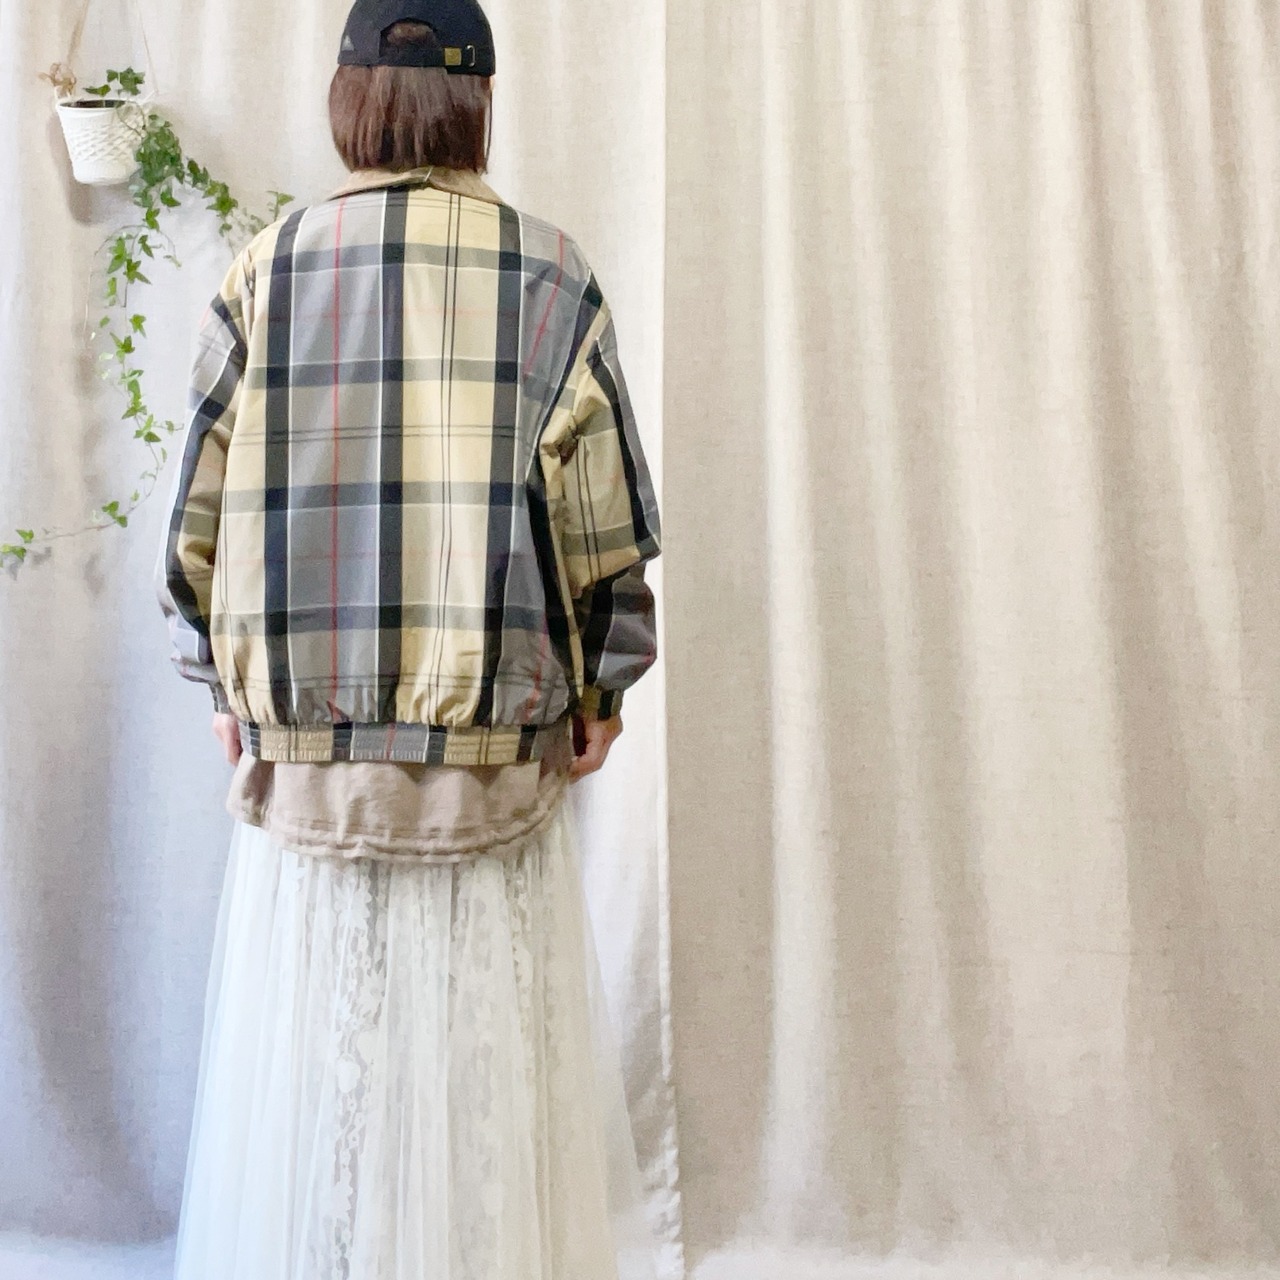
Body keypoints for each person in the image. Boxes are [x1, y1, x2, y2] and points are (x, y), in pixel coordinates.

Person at [155, 1, 663, 1275]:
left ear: (350, 100)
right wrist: (599, 693)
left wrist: (222, 683)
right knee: (480, 1063)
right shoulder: (550, 274)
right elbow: (602, 535)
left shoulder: (267, 267)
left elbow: (193, 520)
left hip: (306, 756)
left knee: (319, 1064)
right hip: (490, 757)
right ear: (476, 102)